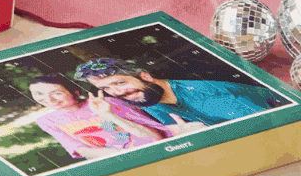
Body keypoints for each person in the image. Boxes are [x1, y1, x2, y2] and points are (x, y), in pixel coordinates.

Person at [75, 58, 283, 126]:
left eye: (120, 83)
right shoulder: (148, 99)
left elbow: (271, 124)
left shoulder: (208, 98)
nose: (116, 93)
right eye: (106, 88)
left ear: (145, 76)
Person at [28, 74, 172, 160]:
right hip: (113, 159)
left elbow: (153, 133)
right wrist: (122, 155)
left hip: (148, 148)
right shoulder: (46, 121)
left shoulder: (106, 103)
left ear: (75, 93)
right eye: (38, 94)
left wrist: (108, 114)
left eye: (56, 93)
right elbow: (79, 149)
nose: (49, 100)